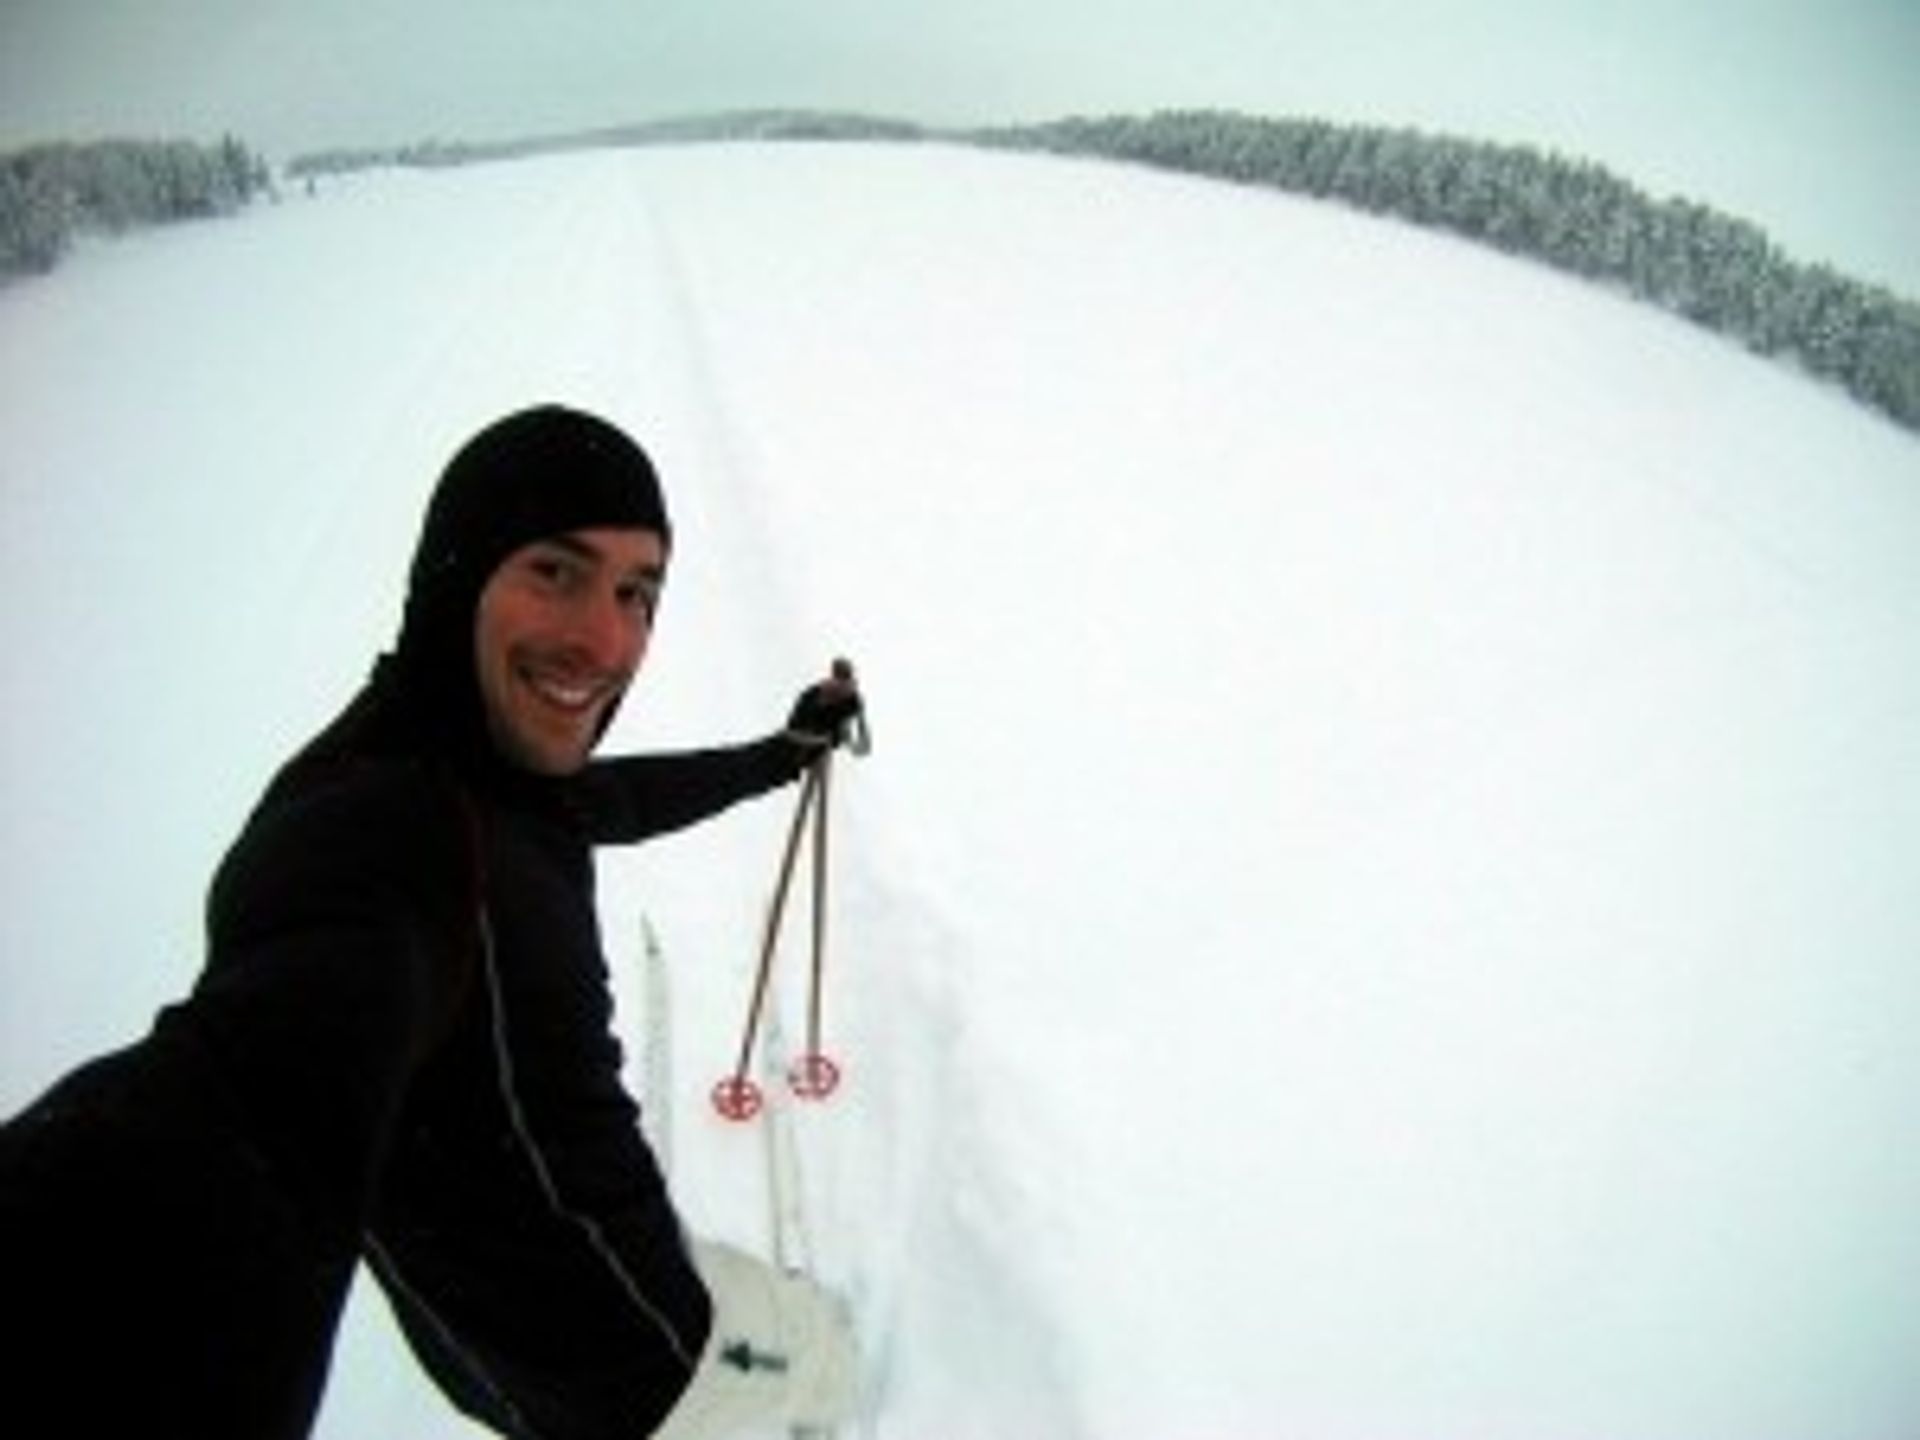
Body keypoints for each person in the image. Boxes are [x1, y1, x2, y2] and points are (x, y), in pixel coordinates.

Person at [0, 404, 863, 1438]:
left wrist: (779, 752)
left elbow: (606, 802)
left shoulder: (485, 765)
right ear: (458, 578)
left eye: (637, 591)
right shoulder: (376, 831)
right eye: (557, 571)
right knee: (823, 1363)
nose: (607, 637)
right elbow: (233, 1122)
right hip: (643, 1373)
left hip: (549, 1319)